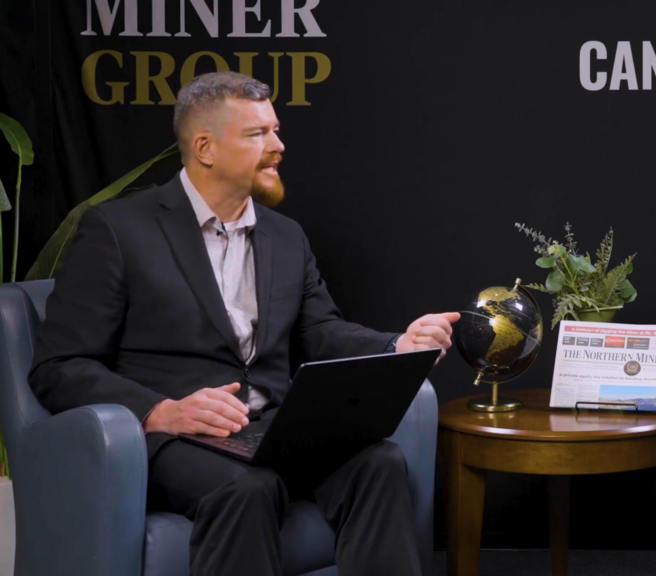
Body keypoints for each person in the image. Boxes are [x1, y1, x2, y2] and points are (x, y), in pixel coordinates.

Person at [29, 71, 459, 576]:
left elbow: (319, 331)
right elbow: (59, 365)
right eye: (257, 134)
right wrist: (160, 411)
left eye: (275, 130)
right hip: (179, 441)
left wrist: (398, 344)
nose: (278, 145)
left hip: (273, 430)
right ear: (205, 148)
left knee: (380, 463)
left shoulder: (286, 236)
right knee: (251, 486)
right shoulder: (117, 230)